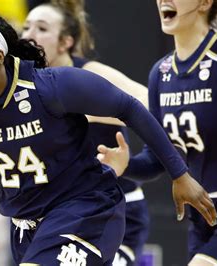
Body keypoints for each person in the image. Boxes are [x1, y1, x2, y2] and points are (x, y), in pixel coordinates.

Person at [0, 12, 217, 266]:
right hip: (26, 229)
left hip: (85, 210)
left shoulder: (51, 86)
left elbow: (129, 107)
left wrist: (179, 174)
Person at [100, 0, 217, 265]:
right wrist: (126, 166)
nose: (163, 0)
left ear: (205, 3)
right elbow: (158, 158)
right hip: (202, 216)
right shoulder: (160, 74)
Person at [22, 1, 150, 264]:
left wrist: (133, 164)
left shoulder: (90, 75)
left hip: (113, 208)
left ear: (65, 42)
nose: (29, 35)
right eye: (26, 27)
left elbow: (153, 106)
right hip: (60, 212)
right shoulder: (25, 83)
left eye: (41, 28)